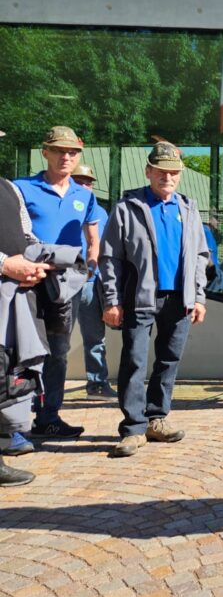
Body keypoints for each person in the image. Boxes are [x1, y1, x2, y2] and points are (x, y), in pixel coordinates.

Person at [100, 142, 209, 458]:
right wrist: (111, 300)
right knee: (134, 361)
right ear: (148, 171)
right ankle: (133, 428)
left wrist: (198, 297)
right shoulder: (127, 208)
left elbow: (200, 255)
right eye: (161, 171)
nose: (168, 177)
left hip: (179, 299)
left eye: (173, 172)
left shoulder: (188, 208)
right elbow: (110, 258)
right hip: (139, 297)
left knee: (169, 360)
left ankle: (156, 419)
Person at [14, 126, 98, 440]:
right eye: (59, 151)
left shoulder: (84, 195)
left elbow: (93, 239)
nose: (66, 157)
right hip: (27, 283)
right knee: (21, 350)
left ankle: (48, 418)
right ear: (45, 152)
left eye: (72, 152)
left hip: (65, 288)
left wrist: (87, 271)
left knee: (58, 351)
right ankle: (15, 422)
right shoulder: (21, 189)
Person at [0, 128, 53, 484]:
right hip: (6, 280)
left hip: (10, 298)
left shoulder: (8, 187)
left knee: (4, 373)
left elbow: (26, 234)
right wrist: (6, 264)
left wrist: (36, 262)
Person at [70, 164, 114, 400]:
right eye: (79, 181)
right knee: (53, 339)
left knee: (95, 337)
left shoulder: (101, 212)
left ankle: (97, 384)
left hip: (91, 281)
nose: (84, 186)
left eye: (88, 182)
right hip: (63, 280)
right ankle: (40, 390)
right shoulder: (64, 205)